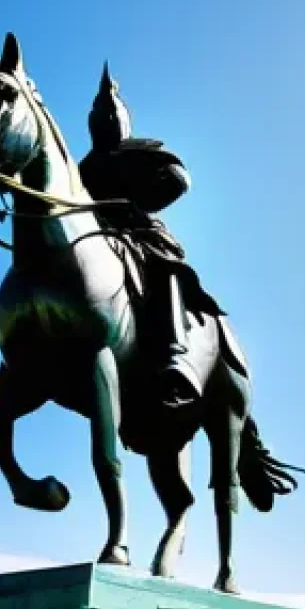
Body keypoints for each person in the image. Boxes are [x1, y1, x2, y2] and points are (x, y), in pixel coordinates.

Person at [79, 64, 226, 408]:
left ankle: (173, 357)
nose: (105, 120)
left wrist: (139, 199)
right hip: (96, 237)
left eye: (110, 113)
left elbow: (179, 179)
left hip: (140, 234)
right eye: (99, 115)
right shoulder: (81, 167)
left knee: (164, 268)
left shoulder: (140, 151)